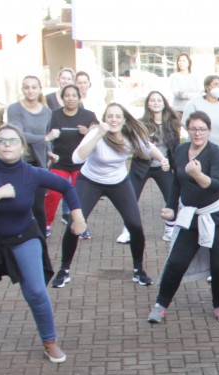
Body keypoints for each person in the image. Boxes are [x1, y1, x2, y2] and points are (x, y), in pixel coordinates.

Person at [0, 125, 86, 365]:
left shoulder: (31, 173)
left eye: (12, 140)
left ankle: (50, 341)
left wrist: (78, 216)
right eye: (1, 140)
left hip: (22, 236)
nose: (7, 144)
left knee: (35, 291)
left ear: (22, 146)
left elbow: (66, 187)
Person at [51, 103, 169, 289]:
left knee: (135, 225)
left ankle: (138, 269)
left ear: (123, 120)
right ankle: (64, 270)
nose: (113, 120)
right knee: (76, 224)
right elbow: (77, 158)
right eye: (110, 116)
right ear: (104, 118)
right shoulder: (95, 134)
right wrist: (98, 134)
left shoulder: (130, 134)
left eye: (117, 116)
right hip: (90, 181)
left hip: (118, 183)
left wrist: (162, 159)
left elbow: (149, 147)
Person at [150, 111, 219, 325]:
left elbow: (215, 184)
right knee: (176, 262)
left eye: (202, 129)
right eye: (193, 128)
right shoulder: (182, 150)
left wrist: (196, 174)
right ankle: (160, 304)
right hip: (193, 215)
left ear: (209, 131)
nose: (197, 133)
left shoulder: (217, 154)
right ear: (187, 129)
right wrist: (170, 207)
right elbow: (177, 182)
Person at [43, 85, 98, 235]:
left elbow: (97, 132)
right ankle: (46, 224)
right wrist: (48, 152)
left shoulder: (88, 115)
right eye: (67, 95)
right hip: (59, 162)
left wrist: (87, 132)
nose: (71, 98)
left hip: (80, 164)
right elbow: (45, 136)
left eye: (74, 95)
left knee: (79, 195)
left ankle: (81, 226)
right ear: (62, 98)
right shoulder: (53, 115)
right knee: (54, 193)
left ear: (79, 98)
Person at [4, 76, 53, 236]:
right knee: (17, 201)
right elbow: (19, 134)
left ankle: (40, 239)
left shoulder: (46, 111)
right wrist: (44, 139)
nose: (30, 91)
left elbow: (48, 136)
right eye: (26, 87)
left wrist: (50, 151)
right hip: (18, 162)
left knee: (38, 205)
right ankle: (15, 234)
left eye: (34, 87)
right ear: (22, 89)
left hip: (39, 163)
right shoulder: (14, 109)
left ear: (40, 89)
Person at [131, 91, 181, 241]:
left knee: (172, 198)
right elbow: (137, 146)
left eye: (159, 100)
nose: (156, 103)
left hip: (163, 167)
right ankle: (129, 229)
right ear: (147, 104)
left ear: (164, 103)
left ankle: (169, 230)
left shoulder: (172, 123)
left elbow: (175, 146)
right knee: (130, 198)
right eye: (152, 100)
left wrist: (174, 165)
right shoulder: (140, 123)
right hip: (141, 166)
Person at [186, 75, 219, 156]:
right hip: (198, 150)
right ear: (207, 87)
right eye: (215, 84)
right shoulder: (194, 102)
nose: (218, 87)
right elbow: (185, 123)